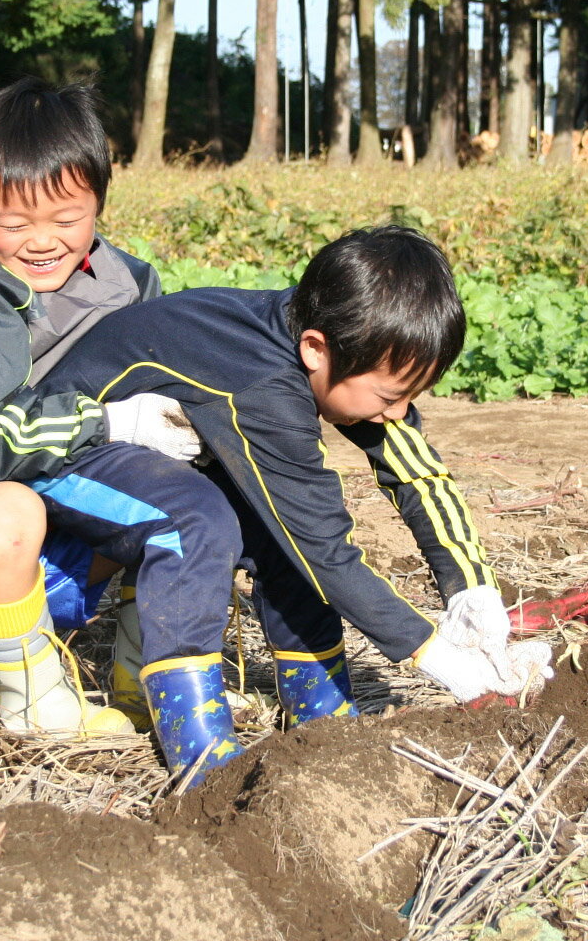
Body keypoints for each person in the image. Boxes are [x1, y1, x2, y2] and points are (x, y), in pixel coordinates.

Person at [37, 225, 553, 781]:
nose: (400, 412)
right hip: (63, 451)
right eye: (390, 397)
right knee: (197, 522)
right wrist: (437, 657)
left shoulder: (334, 331)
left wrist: (470, 587)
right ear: (314, 349)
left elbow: (414, 468)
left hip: (157, 460)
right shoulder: (264, 384)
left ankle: (321, 718)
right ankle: (199, 748)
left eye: (411, 396)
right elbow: (325, 550)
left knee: (274, 536)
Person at [0, 76, 211, 739]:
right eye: (14, 223)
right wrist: (112, 423)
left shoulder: (130, 283)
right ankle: (37, 707)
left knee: (199, 478)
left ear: (100, 202)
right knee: (6, 508)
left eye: (65, 219)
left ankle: (150, 672)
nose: (42, 241)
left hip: (59, 524)